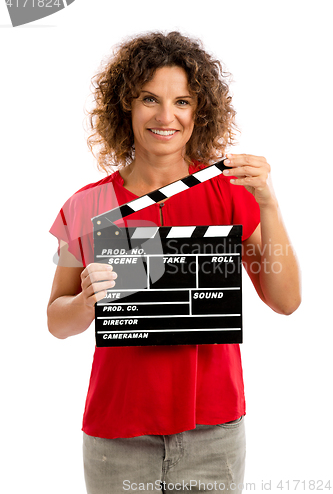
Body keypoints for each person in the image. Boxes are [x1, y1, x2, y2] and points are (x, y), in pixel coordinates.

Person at [47, 31, 301, 493]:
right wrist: (86, 301)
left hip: (214, 430)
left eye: (182, 101)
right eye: (149, 99)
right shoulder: (87, 206)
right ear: (125, 105)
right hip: (117, 433)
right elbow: (55, 321)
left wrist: (268, 203)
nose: (166, 117)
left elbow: (286, 301)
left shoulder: (229, 193)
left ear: (199, 111)